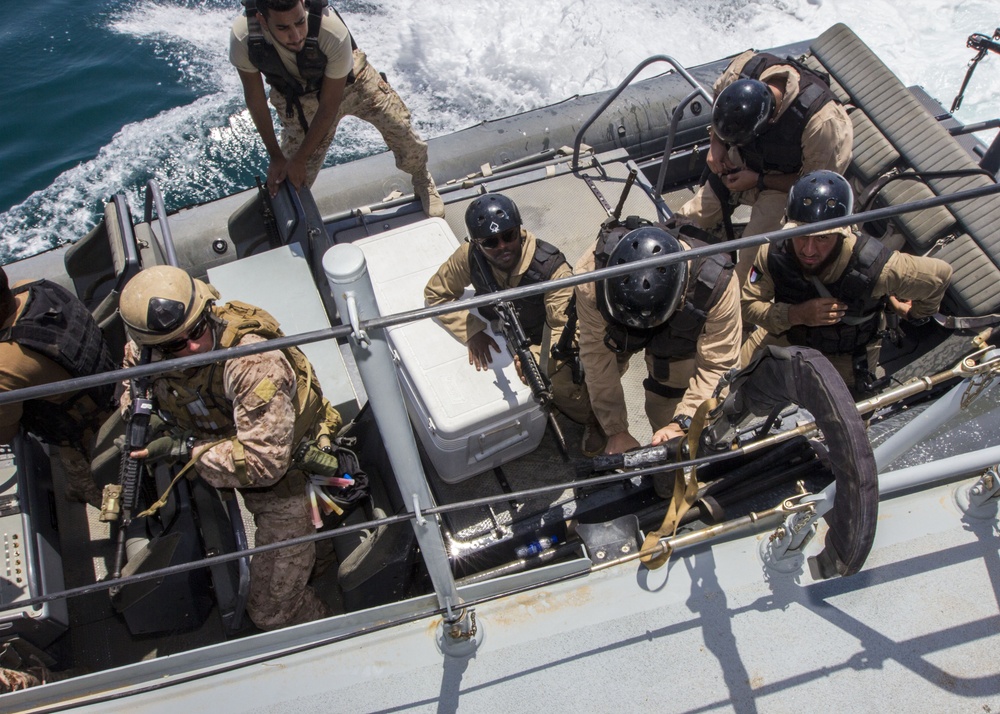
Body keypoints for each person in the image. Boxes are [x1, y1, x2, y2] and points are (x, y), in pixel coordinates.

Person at [118, 266, 344, 630]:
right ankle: (317, 557)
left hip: (287, 484)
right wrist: (142, 417)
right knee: (313, 553)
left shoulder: (252, 364)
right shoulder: (144, 352)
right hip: (241, 458)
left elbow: (263, 465)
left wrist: (186, 448)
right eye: (176, 344)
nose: (192, 346)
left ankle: (337, 639)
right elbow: (129, 385)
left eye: (196, 331)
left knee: (271, 612)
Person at [741, 170, 953, 397]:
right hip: (788, 334)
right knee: (728, 385)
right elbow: (748, 304)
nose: (808, 250)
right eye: (802, 235)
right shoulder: (773, 253)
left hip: (847, 355)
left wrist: (916, 315)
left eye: (823, 238)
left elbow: (939, 275)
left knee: (854, 422)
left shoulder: (878, 268)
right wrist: (796, 315)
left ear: (843, 233)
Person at [424, 194, 604, 456]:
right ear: (476, 243)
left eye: (509, 236)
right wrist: (471, 330)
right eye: (490, 242)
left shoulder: (551, 270)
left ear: (519, 230)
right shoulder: (470, 256)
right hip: (498, 324)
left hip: (545, 335)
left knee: (560, 381)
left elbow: (567, 330)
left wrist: (533, 357)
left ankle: (592, 419)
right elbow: (436, 293)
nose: (502, 246)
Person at [230, 0, 444, 217]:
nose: (296, 36)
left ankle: (421, 178)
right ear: (262, 21)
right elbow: (255, 99)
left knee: (401, 130)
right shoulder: (244, 38)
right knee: (291, 173)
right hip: (301, 98)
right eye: (283, 28)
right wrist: (276, 156)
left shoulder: (331, 30)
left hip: (354, 83)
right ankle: (290, 216)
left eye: (300, 22)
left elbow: (329, 105)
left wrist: (300, 158)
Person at [674, 50, 853, 284]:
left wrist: (758, 180)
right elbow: (720, 98)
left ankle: (734, 302)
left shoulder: (823, 125)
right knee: (691, 216)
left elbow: (814, 187)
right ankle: (668, 260)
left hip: (787, 184)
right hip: (744, 159)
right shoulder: (742, 71)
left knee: (751, 253)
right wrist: (717, 144)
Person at [575, 219, 742, 464]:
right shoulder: (590, 275)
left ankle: (666, 464)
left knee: (666, 408)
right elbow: (596, 356)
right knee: (577, 370)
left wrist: (682, 423)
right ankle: (597, 420)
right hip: (616, 328)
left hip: (678, 337)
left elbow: (718, 365)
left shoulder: (719, 286)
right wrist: (616, 429)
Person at [0, 266, 114, 507]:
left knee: (97, 493)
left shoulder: (6, 363)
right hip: (110, 389)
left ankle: (95, 498)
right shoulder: (34, 287)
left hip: (88, 439)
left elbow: (5, 432)